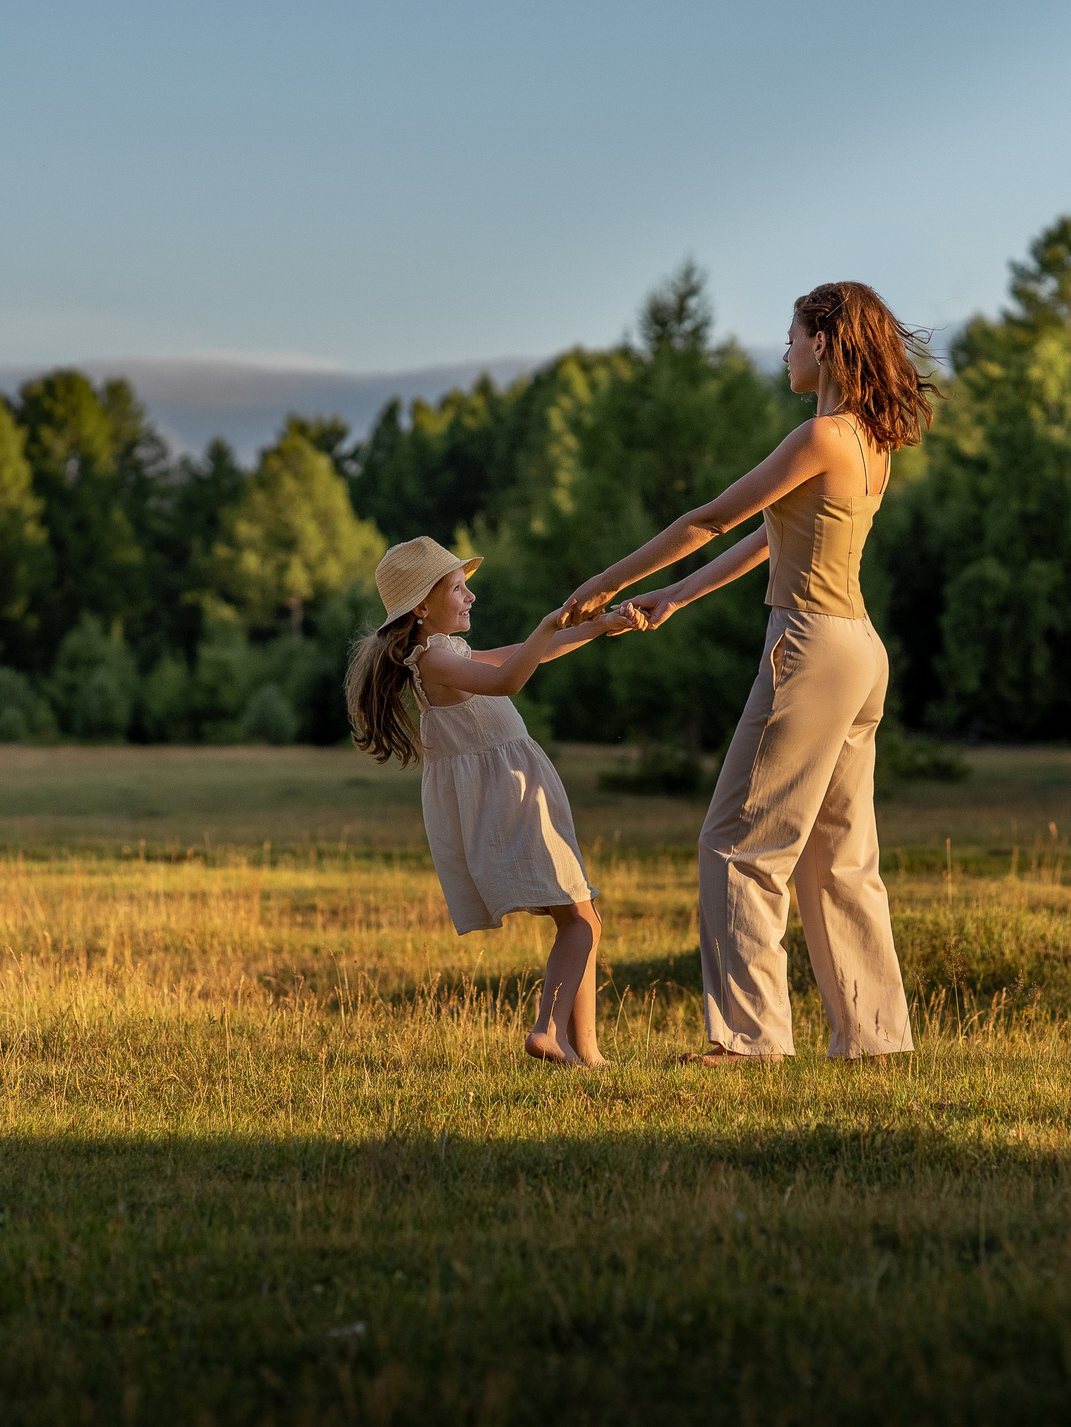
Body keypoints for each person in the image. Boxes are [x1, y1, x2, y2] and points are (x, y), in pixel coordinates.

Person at [557, 281, 939, 1066]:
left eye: (795, 334)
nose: (786, 349)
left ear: (826, 342)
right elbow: (772, 536)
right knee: (839, 856)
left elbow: (710, 517)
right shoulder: (869, 440)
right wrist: (678, 594)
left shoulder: (821, 436)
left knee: (736, 844)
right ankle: (874, 1039)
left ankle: (751, 1040)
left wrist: (609, 581)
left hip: (809, 646)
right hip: (860, 652)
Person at [346, 536, 641, 1067]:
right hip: (510, 798)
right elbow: (507, 680)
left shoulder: (445, 654)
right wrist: (550, 622)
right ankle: (548, 1031)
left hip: (512, 792)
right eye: (458, 588)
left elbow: (519, 657)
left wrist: (597, 627)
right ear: (421, 606)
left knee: (580, 914)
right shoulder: (432, 658)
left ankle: (588, 1053)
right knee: (582, 919)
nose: (470, 597)